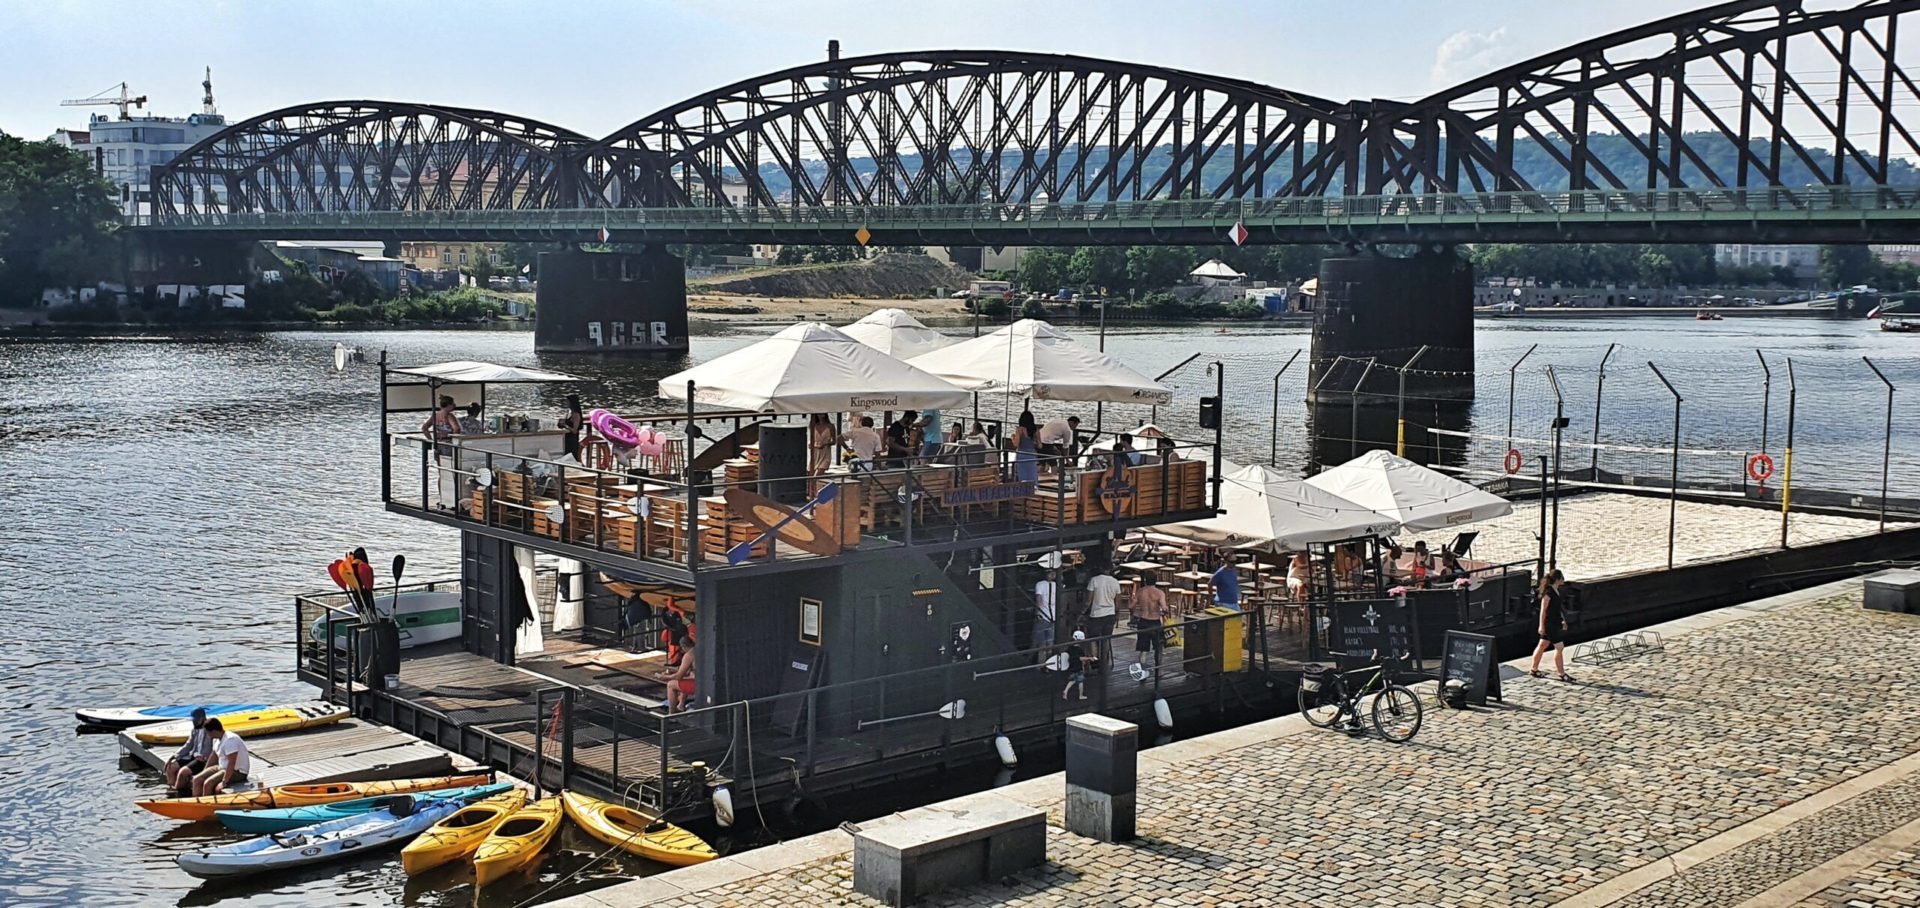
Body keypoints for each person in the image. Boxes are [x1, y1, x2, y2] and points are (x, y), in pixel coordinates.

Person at [1530, 569, 1573, 682]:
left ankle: (1534, 669)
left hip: (1555, 622)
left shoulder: (1556, 590)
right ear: (1558, 579)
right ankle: (1561, 673)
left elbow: (1557, 609)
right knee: (1559, 647)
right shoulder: (1548, 593)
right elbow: (1543, 611)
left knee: (1542, 645)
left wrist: (1563, 620)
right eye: (1562, 578)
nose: (1563, 580)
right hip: (1549, 624)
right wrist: (1541, 626)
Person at [192, 718, 251, 796]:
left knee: (208, 783)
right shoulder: (216, 740)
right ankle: (196, 803)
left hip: (237, 771)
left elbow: (232, 763)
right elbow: (213, 756)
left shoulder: (230, 740)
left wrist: (224, 782)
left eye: (207, 732)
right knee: (197, 779)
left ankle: (208, 805)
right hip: (222, 767)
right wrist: (204, 772)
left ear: (213, 731)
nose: (207, 735)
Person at [163, 708, 214, 795]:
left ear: (201, 719)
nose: (193, 722)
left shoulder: (210, 730)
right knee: (170, 766)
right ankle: (171, 788)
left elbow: (214, 749)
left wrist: (206, 757)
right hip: (193, 756)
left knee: (183, 772)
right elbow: (188, 745)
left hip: (203, 760)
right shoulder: (195, 730)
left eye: (195, 720)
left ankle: (178, 792)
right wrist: (175, 756)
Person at [1132, 571, 1167, 667]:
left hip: (1143, 620)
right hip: (1155, 621)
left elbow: (1131, 606)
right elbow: (1164, 608)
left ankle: (1142, 668)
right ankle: (1158, 668)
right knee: (1158, 647)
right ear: (1156, 581)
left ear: (1146, 580)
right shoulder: (1160, 593)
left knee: (1143, 649)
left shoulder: (1140, 591)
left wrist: (1135, 614)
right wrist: (1163, 612)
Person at [1086, 567, 1121, 660]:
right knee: (1106, 639)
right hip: (1110, 613)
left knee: (1093, 638)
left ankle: (1094, 659)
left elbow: (1089, 601)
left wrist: (1082, 612)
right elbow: (1118, 603)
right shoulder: (1115, 581)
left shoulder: (1094, 580)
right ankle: (1104, 659)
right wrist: (1117, 614)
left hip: (1097, 614)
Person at [1060, 630, 1095, 701]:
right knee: (1080, 681)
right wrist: (1089, 658)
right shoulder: (1079, 649)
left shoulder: (1070, 648)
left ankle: (1065, 691)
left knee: (1073, 680)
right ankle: (1080, 695)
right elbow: (1080, 658)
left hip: (1071, 666)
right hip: (1078, 667)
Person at [665, 634, 697, 711]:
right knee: (684, 679)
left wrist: (665, 677)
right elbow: (685, 673)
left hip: (698, 684)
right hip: (704, 680)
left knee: (671, 685)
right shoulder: (699, 650)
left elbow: (678, 676)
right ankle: (681, 705)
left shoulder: (689, 655)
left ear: (683, 646)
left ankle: (672, 713)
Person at [1032, 570, 1059, 652]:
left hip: (1043, 615)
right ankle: (1050, 660)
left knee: (1041, 642)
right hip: (1053, 616)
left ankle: (1041, 661)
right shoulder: (1057, 585)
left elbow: (1039, 601)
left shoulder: (1040, 584)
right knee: (1050, 641)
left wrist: (1037, 613)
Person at [560, 394, 585, 464]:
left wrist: (565, 426)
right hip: (567, 438)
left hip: (572, 440)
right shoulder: (569, 413)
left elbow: (574, 430)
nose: (566, 403)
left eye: (567, 402)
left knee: (572, 457)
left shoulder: (576, 415)